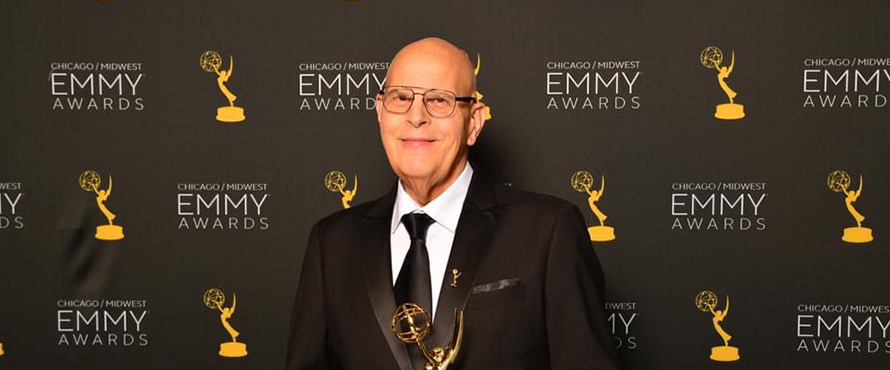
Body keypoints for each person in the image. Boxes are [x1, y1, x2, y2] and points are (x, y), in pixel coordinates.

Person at [286, 37, 619, 370]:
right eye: (400, 97)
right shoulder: (331, 243)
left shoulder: (548, 230)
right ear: (379, 113)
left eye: (439, 100)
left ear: (473, 122)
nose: (416, 116)